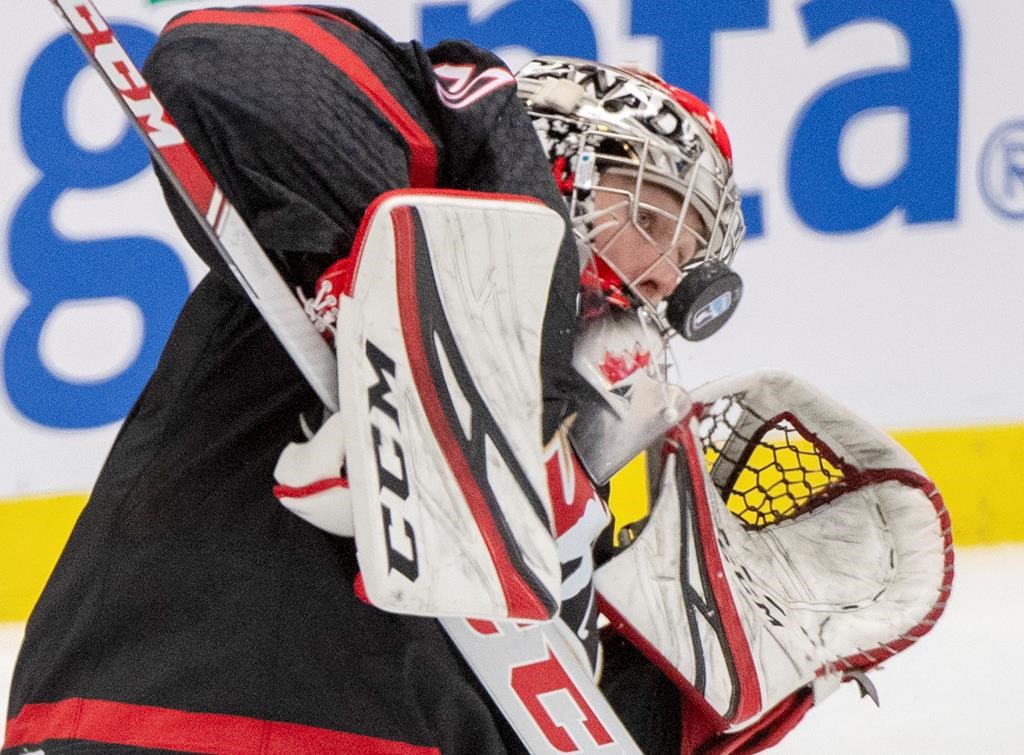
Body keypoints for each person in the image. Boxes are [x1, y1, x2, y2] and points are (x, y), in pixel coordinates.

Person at [3, 6, 743, 754]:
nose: (658, 279)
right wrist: (480, 153)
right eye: (647, 218)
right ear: (559, 162)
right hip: (162, 710)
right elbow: (213, 63)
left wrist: (695, 709)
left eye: (680, 261)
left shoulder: (574, 440)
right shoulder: (370, 232)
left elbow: (546, 703)